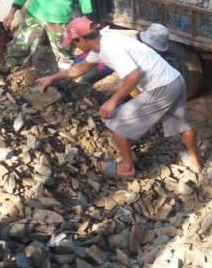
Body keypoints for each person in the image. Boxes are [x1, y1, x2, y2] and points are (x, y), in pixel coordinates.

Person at [36, 17, 203, 176]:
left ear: (83, 39)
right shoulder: (103, 42)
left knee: (118, 125)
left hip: (161, 88)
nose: (74, 46)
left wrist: (112, 102)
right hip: (175, 80)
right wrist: (52, 78)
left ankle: (127, 167)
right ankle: (195, 162)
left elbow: (134, 75)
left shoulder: (110, 49)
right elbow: (80, 69)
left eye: (74, 41)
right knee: (182, 124)